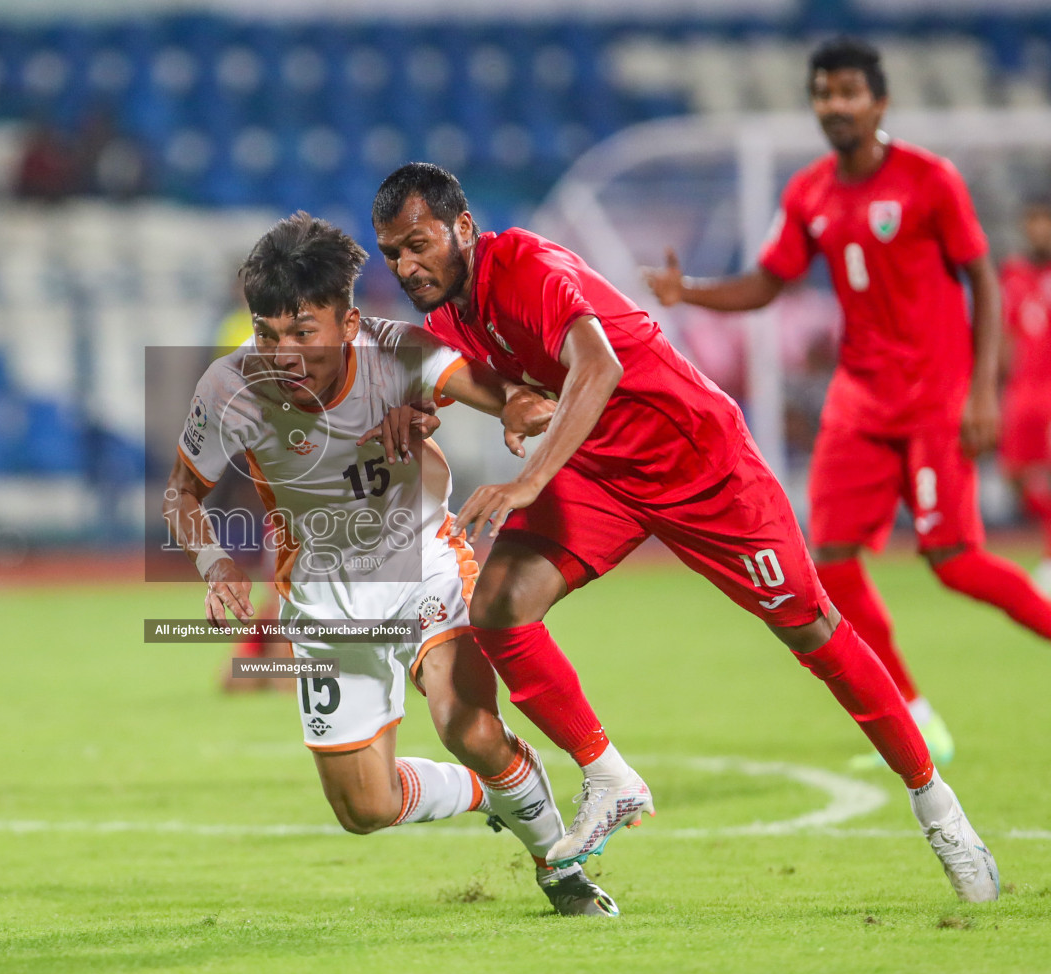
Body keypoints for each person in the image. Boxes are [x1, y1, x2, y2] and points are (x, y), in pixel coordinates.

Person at [371, 161, 999, 902]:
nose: (408, 267)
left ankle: (939, 809)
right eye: (392, 256)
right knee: (501, 605)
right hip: (603, 478)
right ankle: (607, 776)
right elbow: (499, 387)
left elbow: (595, 366)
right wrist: (436, 409)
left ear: (462, 228)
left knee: (814, 633)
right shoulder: (450, 313)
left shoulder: (529, 267)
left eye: (418, 244)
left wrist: (531, 477)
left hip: (702, 468)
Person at [165, 212, 617, 915]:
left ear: (347, 325)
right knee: (363, 808)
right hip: (324, 602)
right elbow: (183, 493)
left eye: (302, 332)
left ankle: (561, 867)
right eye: (267, 333)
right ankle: (483, 791)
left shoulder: (399, 355)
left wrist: (520, 408)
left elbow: (496, 393)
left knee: (465, 725)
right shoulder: (230, 391)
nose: (282, 353)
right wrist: (213, 560)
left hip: (425, 564)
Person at [644, 37, 1051, 771]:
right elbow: (770, 282)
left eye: (847, 93)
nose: (834, 105)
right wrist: (691, 291)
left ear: (880, 101)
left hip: (935, 398)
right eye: (823, 93)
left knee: (953, 558)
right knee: (829, 564)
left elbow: (982, 281)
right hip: (860, 404)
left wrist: (982, 387)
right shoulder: (809, 192)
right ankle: (917, 718)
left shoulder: (930, 180)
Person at [999, 198, 1051, 592]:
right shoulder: (1013, 274)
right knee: (1012, 476)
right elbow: (1005, 334)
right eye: (1031, 222)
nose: (1037, 230)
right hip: (1020, 392)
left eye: (1043, 222)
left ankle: (1049, 559)